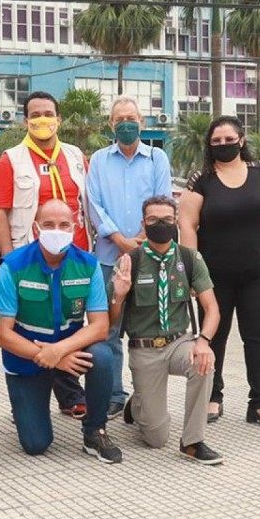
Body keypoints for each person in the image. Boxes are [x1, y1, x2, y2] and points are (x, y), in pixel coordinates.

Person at [180, 115, 260, 428]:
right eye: (216, 141)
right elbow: (187, 224)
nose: (223, 145)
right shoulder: (201, 179)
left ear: (242, 140)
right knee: (213, 338)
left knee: (258, 339)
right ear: (209, 145)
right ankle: (212, 398)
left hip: (258, 273)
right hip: (213, 277)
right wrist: (192, 270)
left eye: (229, 139)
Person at [0, 200, 122, 463]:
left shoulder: (88, 264)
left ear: (74, 227)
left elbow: (100, 325)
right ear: (36, 228)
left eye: (64, 225)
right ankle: (29, 406)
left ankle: (94, 431)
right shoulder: (13, 266)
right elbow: (0, 334)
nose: (57, 230)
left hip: (69, 350)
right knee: (36, 444)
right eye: (49, 225)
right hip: (26, 359)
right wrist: (51, 357)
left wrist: (60, 351)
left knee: (103, 355)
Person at [0, 92, 91, 418]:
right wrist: (8, 257)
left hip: (74, 255)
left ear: (59, 120)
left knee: (71, 321)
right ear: (25, 121)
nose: (42, 120)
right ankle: (35, 381)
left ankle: (69, 388)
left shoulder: (75, 155)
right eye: (35, 114)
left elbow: (86, 203)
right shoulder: (11, 159)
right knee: (33, 323)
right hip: (29, 257)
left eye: (48, 113)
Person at [109, 195, 223, 464]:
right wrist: (120, 294)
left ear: (176, 223)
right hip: (144, 348)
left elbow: (212, 308)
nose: (161, 224)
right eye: (153, 220)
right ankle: (138, 403)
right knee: (156, 438)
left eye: (167, 220)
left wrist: (204, 341)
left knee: (203, 362)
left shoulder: (189, 258)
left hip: (178, 343)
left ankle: (193, 441)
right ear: (143, 223)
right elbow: (112, 320)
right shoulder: (130, 261)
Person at [85, 95, 172, 417]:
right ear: (111, 124)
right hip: (108, 258)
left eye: (132, 118)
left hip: (148, 256)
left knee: (146, 329)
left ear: (143, 122)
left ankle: (143, 398)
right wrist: (121, 240)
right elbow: (93, 204)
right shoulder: (98, 160)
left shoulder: (157, 159)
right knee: (108, 330)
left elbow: (162, 202)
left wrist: (140, 239)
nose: (126, 123)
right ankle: (114, 395)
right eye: (119, 119)